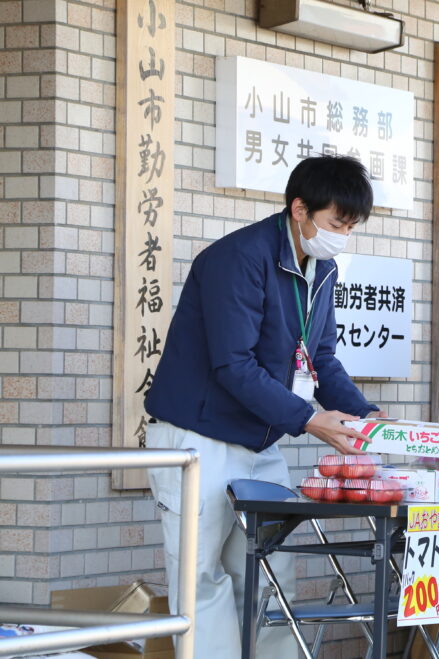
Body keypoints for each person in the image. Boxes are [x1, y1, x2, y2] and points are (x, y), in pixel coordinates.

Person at [144, 156, 384, 658]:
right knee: (201, 581)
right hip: (198, 438)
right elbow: (233, 365)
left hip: (262, 438)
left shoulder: (323, 268)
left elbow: (320, 360)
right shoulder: (238, 258)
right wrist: (311, 420)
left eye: (351, 226)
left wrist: (369, 418)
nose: (343, 235)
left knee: (273, 577)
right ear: (300, 209)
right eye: (338, 223)